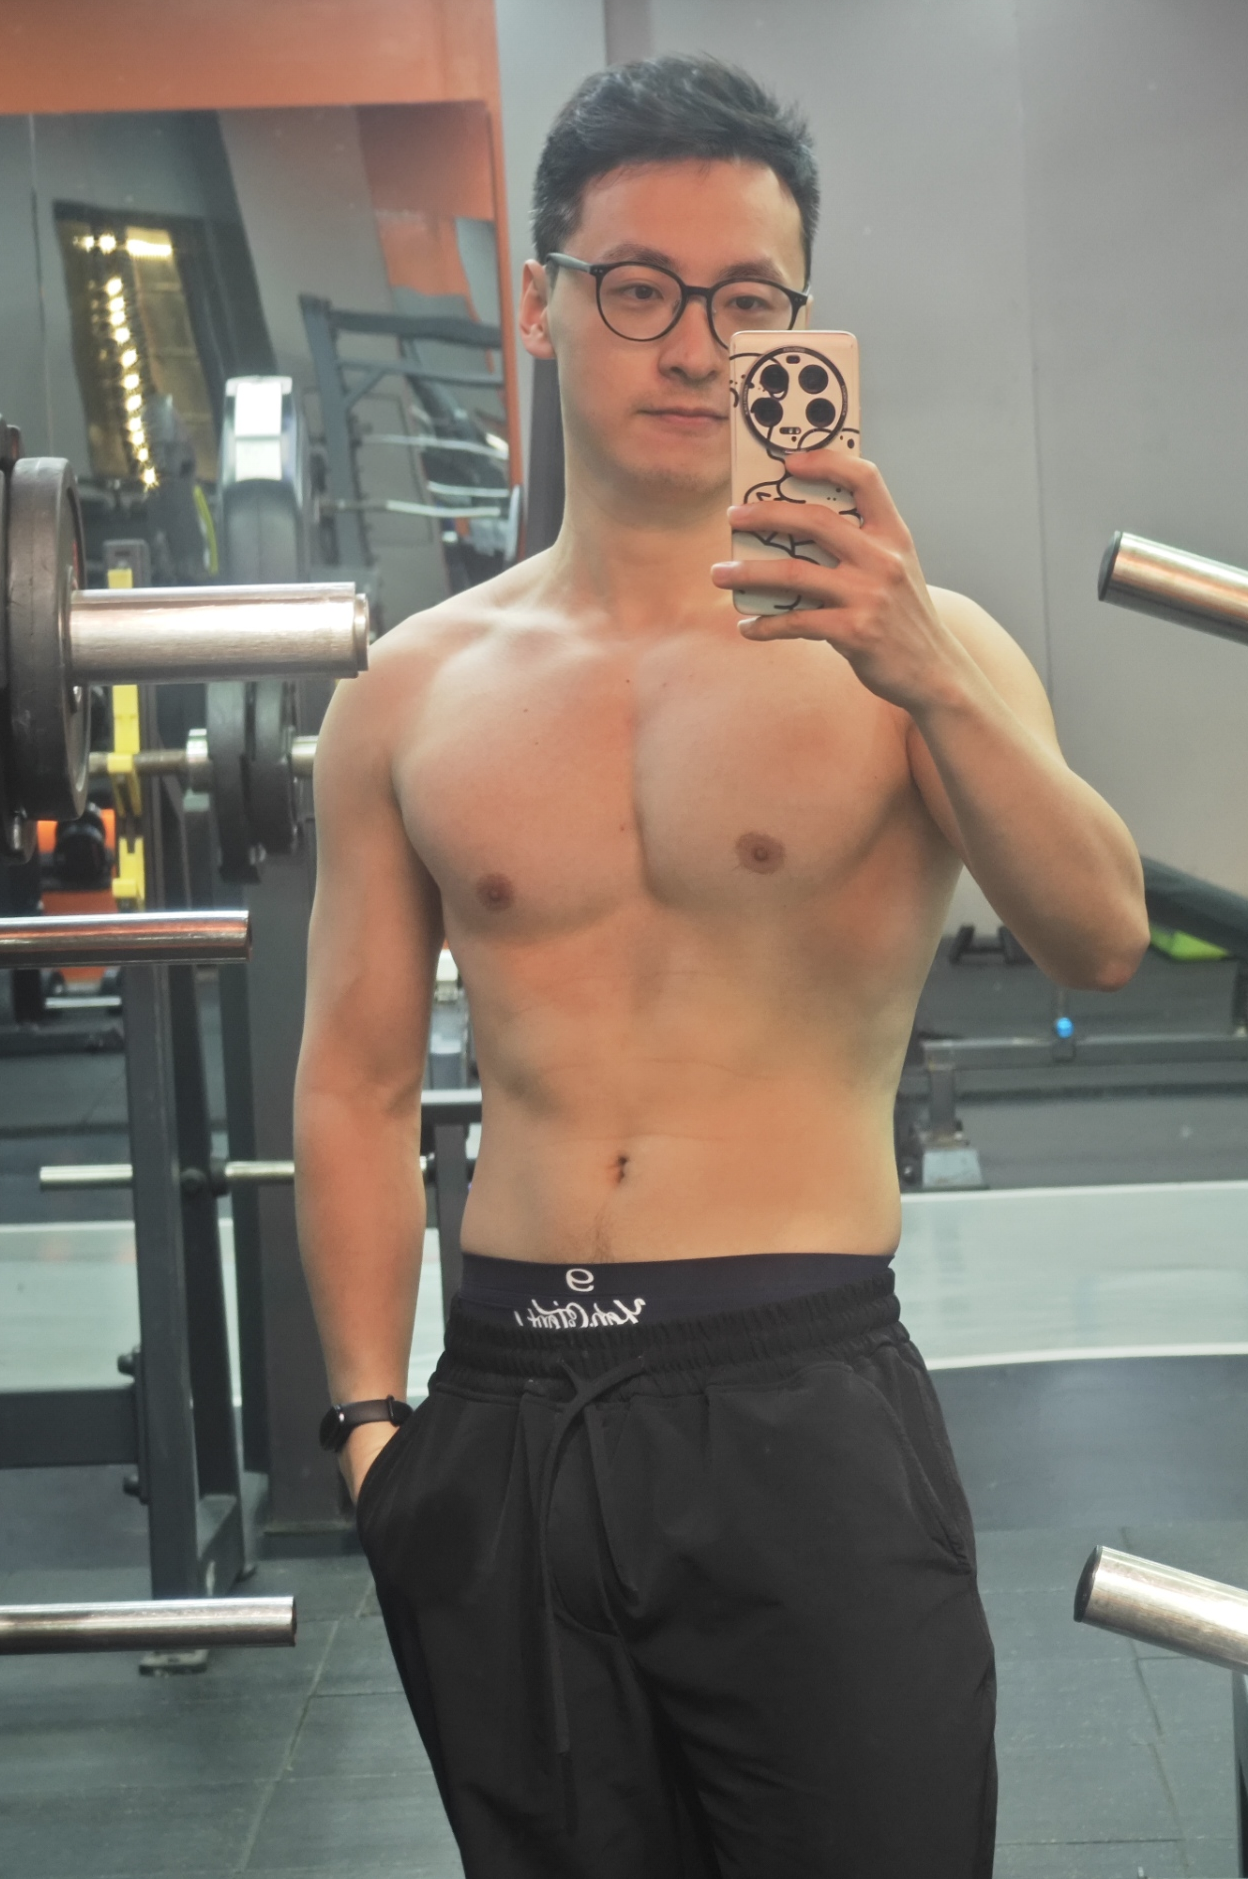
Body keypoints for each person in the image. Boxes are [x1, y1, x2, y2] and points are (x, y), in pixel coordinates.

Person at [294, 54, 1149, 1879]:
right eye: (639, 288)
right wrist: (373, 1431)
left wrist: (923, 670)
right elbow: (355, 1083)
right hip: (507, 1410)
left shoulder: (921, 648)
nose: (694, 345)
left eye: (747, 300)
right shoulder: (412, 693)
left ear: (798, 327)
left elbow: (1103, 932)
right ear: (543, 304)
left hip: (797, 1395)